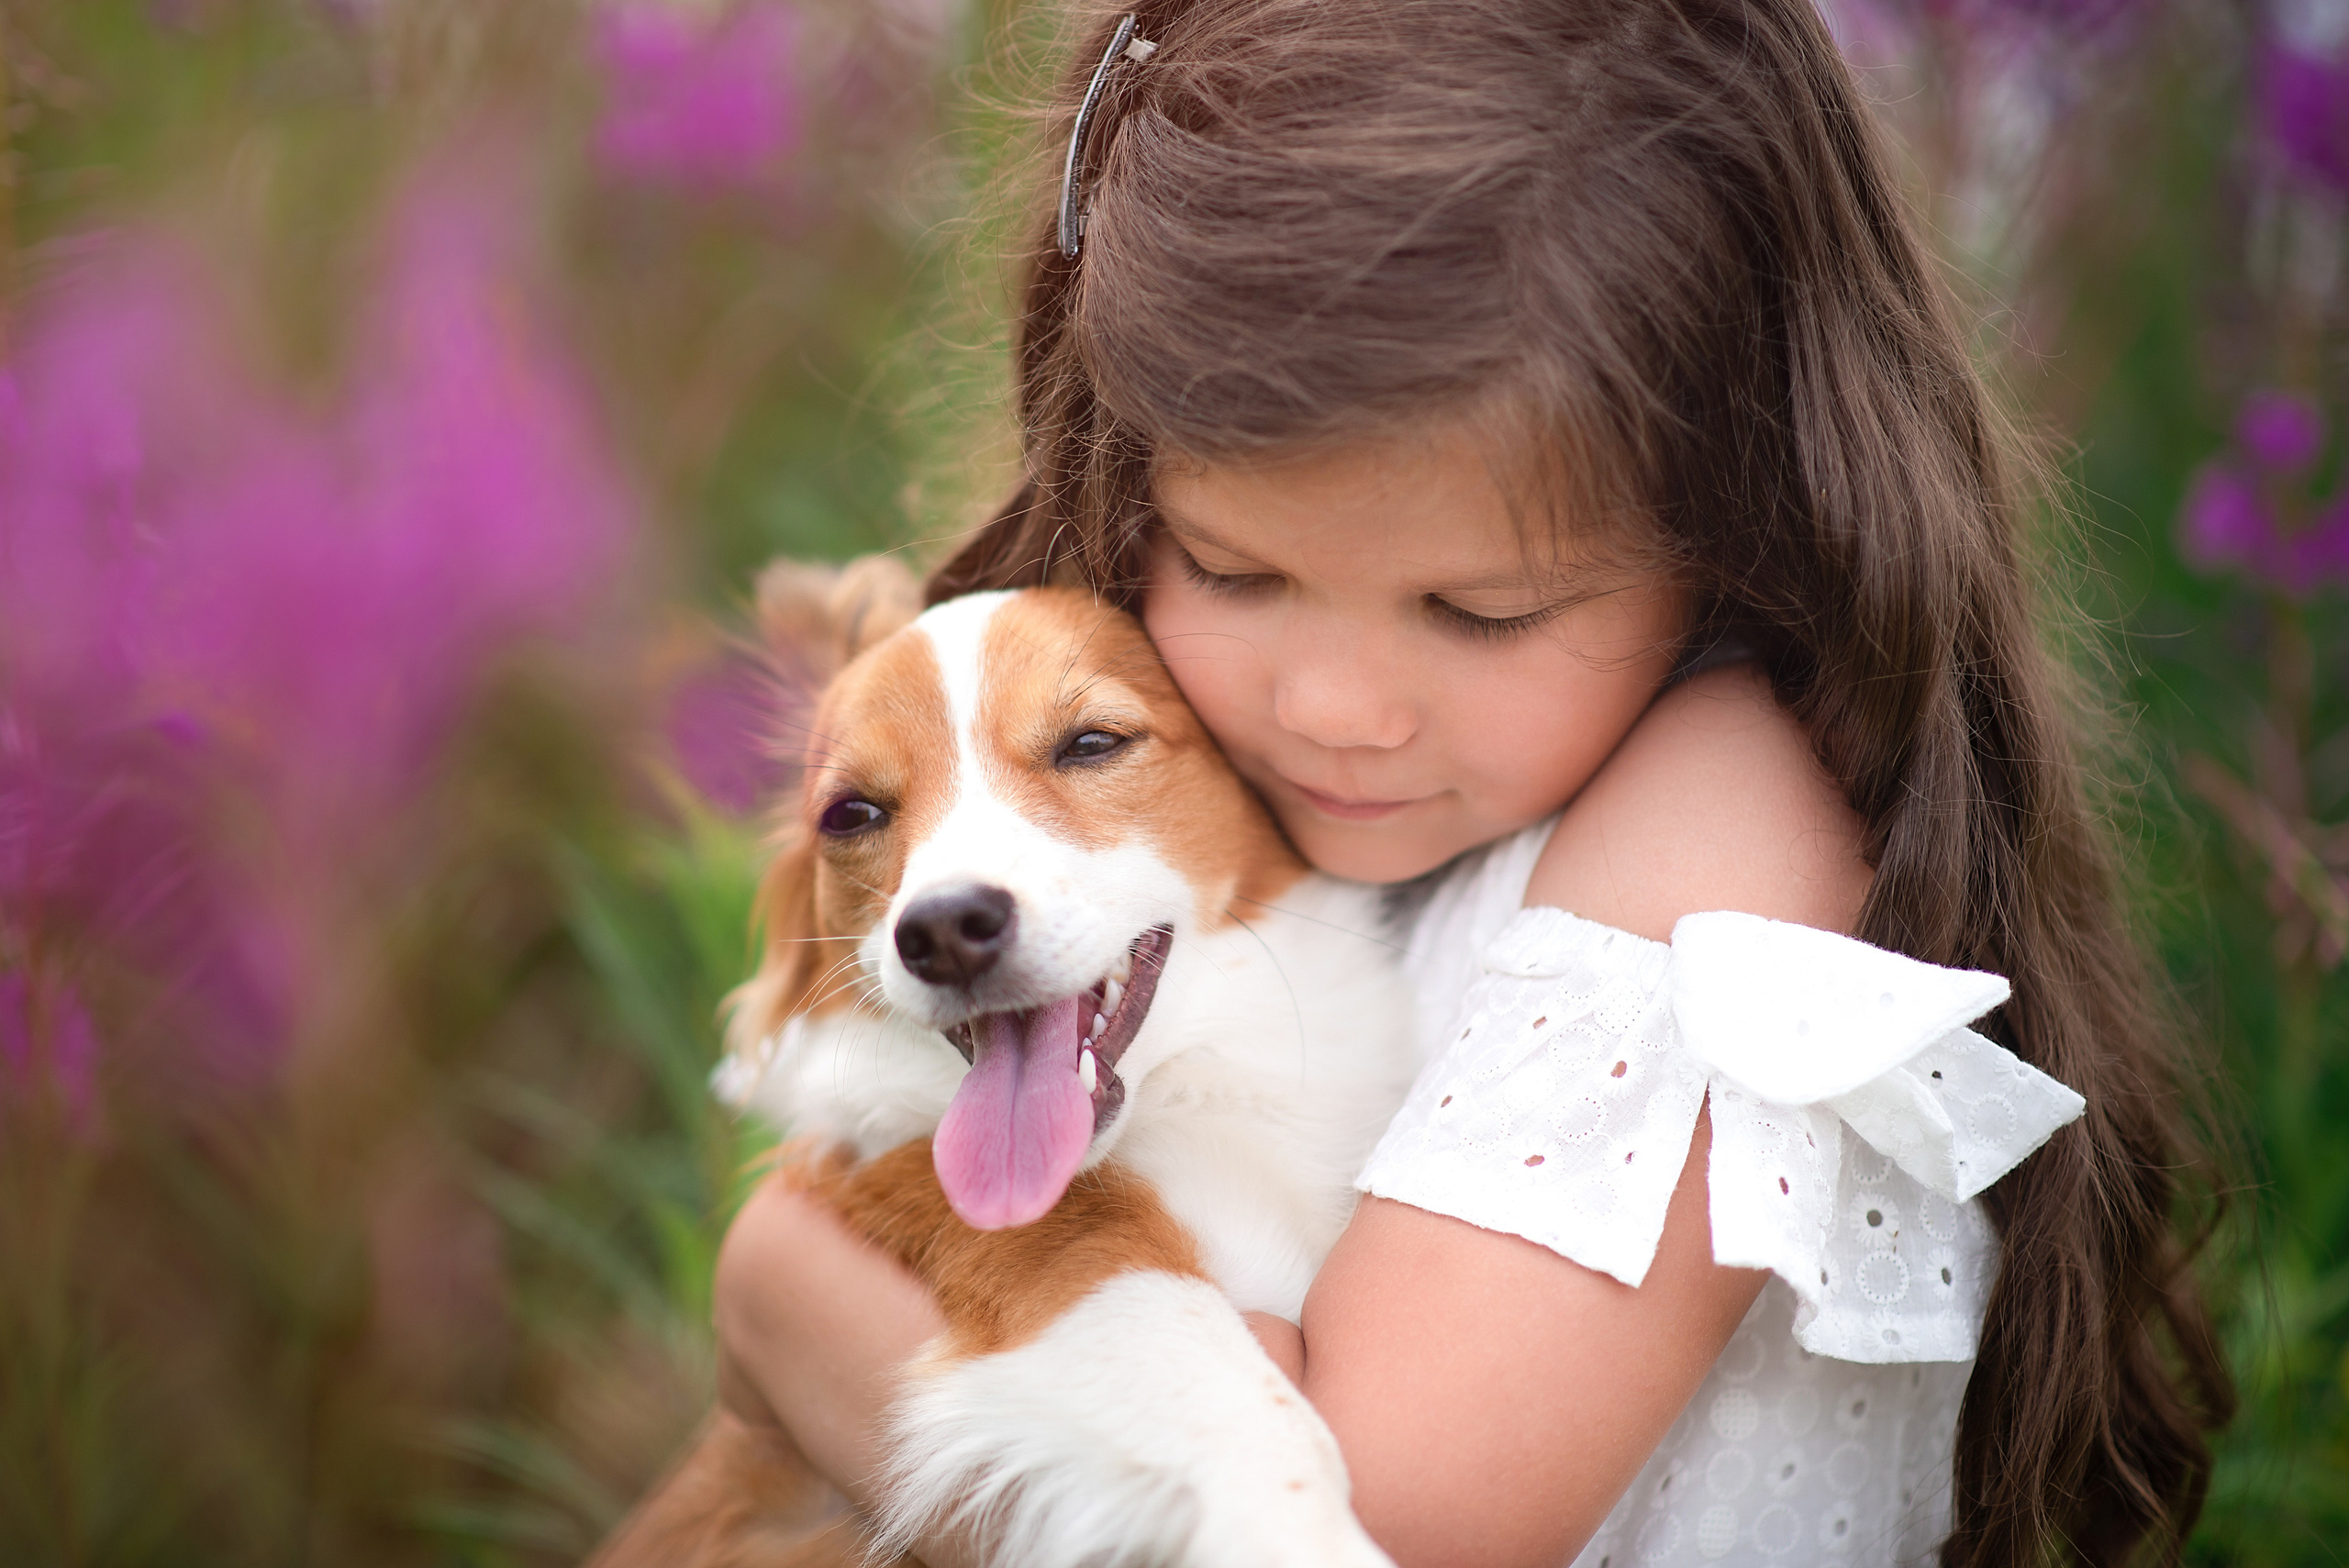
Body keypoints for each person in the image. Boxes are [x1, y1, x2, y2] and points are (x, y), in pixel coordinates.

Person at [709, 1, 2232, 1563]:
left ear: (1736, 527)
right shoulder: (1265, 835)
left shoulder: (1732, 821)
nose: (1335, 709)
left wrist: (778, 1289)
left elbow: (1383, 1526)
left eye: (1483, 610)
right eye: (1234, 571)